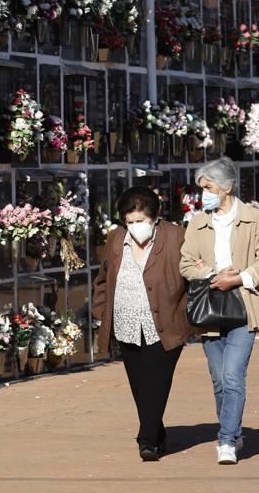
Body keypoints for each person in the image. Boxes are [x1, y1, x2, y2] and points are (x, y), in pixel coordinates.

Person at [180, 157, 259, 465]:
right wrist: (212, 275)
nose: (203, 194)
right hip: (211, 308)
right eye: (201, 188)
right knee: (219, 379)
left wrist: (236, 278)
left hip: (244, 305)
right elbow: (186, 263)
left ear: (227, 187)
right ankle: (233, 432)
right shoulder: (197, 222)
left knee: (234, 375)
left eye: (208, 187)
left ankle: (225, 441)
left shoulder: (254, 218)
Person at [92, 186, 190, 461]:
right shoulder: (116, 239)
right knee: (139, 385)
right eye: (130, 221)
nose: (136, 227)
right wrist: (101, 311)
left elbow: (193, 273)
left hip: (165, 323)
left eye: (141, 221)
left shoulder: (176, 237)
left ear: (155, 217)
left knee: (156, 383)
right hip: (125, 322)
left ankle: (146, 440)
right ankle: (157, 434)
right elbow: (103, 277)